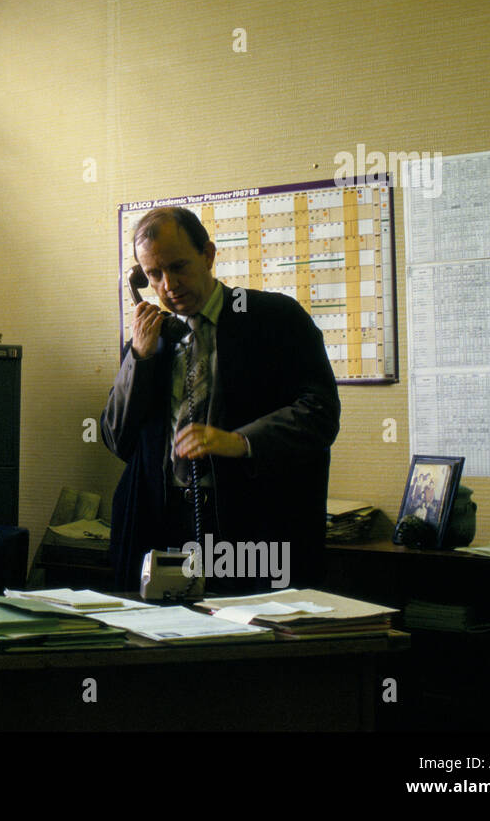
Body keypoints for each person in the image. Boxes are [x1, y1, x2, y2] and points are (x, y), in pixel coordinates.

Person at [101, 206, 340, 593]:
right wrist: (139, 360)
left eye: (178, 266)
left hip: (251, 524)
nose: (168, 285)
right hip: (162, 522)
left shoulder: (274, 318)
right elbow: (116, 438)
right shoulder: (152, 339)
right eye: (154, 274)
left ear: (208, 255)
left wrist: (241, 441)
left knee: (244, 626)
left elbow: (320, 412)